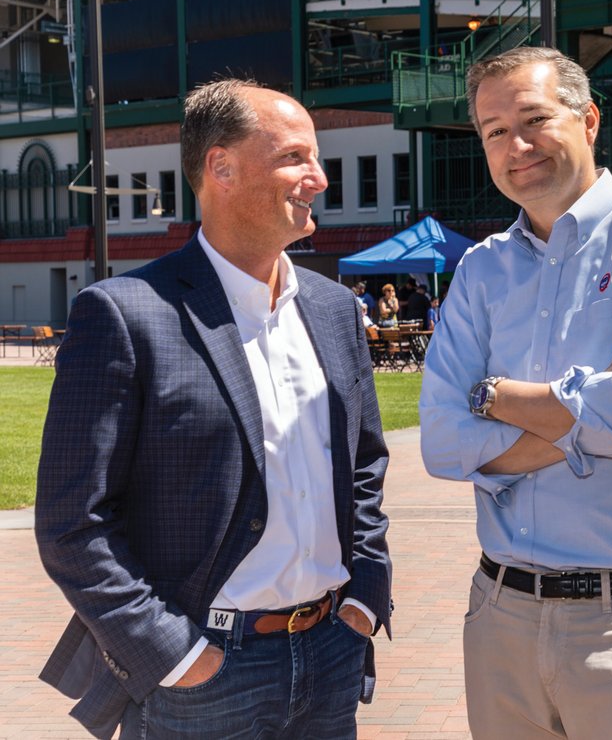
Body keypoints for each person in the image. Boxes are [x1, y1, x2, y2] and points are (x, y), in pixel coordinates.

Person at [35, 79, 392, 740]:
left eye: (316, 157)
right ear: (220, 168)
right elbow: (70, 524)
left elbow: (363, 468)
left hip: (331, 654)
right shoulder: (126, 314)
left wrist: (366, 599)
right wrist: (173, 656)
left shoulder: (334, 309)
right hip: (205, 674)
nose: (318, 176)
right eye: (294, 158)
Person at [419, 46, 612, 738]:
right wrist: (591, 411)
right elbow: (440, 440)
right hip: (500, 618)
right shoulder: (480, 271)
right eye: (495, 131)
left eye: (533, 118)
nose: (515, 145)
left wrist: (489, 395)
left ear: (588, 120)